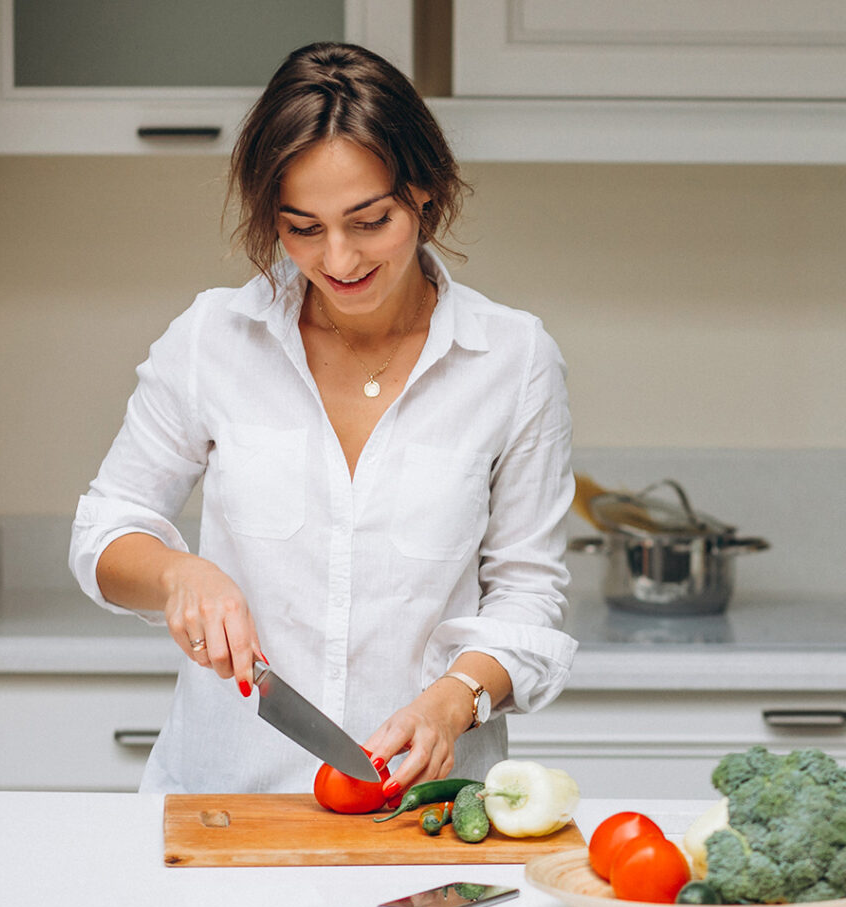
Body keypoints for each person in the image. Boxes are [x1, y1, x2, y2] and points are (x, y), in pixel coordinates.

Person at [69, 41, 577, 800]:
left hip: (424, 813)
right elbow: (105, 529)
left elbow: (528, 593)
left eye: (368, 221)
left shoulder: (513, 359)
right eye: (302, 227)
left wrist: (455, 701)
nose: (338, 259)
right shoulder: (214, 338)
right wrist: (181, 573)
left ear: (426, 193)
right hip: (226, 804)